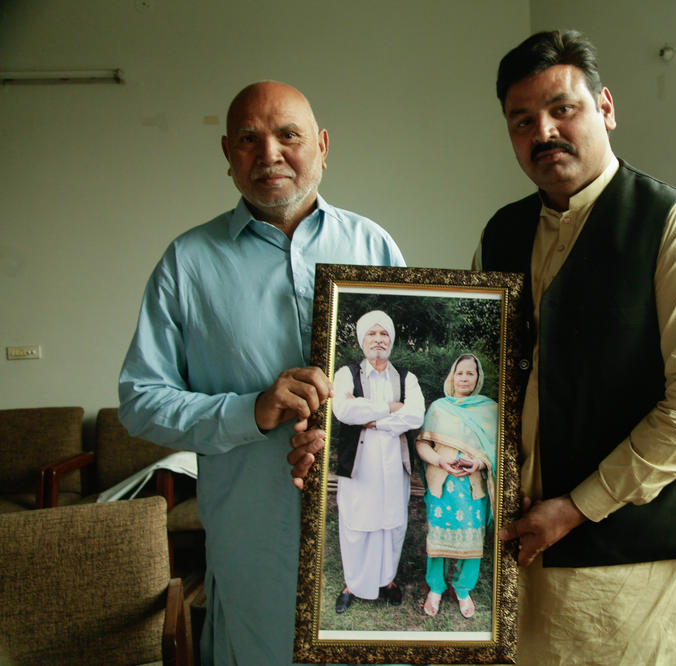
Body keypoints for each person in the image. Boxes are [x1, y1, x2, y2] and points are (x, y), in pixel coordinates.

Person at [118, 80, 405, 665]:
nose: (269, 153)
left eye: (288, 135)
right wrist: (250, 410)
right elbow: (140, 399)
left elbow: (397, 383)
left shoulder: (373, 245)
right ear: (228, 155)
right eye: (249, 138)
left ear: (323, 146)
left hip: (366, 507)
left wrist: (347, 430)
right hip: (254, 546)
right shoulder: (188, 264)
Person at [475, 31, 676, 664]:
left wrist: (576, 508)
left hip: (627, 564)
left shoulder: (673, 225)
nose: (544, 131)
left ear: (606, 108)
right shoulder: (500, 233)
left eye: (563, 108)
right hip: (512, 550)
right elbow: (485, 375)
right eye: (522, 120)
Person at [329, 309, 425, 614]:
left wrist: (373, 421)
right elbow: (344, 411)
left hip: (394, 469)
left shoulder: (407, 378)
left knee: (391, 525)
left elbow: (415, 415)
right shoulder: (347, 374)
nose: (378, 339)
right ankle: (353, 584)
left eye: (384, 334)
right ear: (362, 340)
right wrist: (389, 407)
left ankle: (387, 580)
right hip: (360, 468)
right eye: (372, 333)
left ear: (391, 340)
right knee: (357, 524)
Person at [415, 353, 498, 618]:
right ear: (452, 375)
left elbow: (498, 451)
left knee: (473, 541)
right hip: (442, 485)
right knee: (437, 537)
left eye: (470, 373)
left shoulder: (491, 409)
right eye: (459, 372)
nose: (464, 378)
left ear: (477, 378)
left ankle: (463, 589)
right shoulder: (439, 407)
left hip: (473, 488)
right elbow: (421, 444)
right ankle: (436, 588)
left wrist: (481, 463)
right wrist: (440, 459)